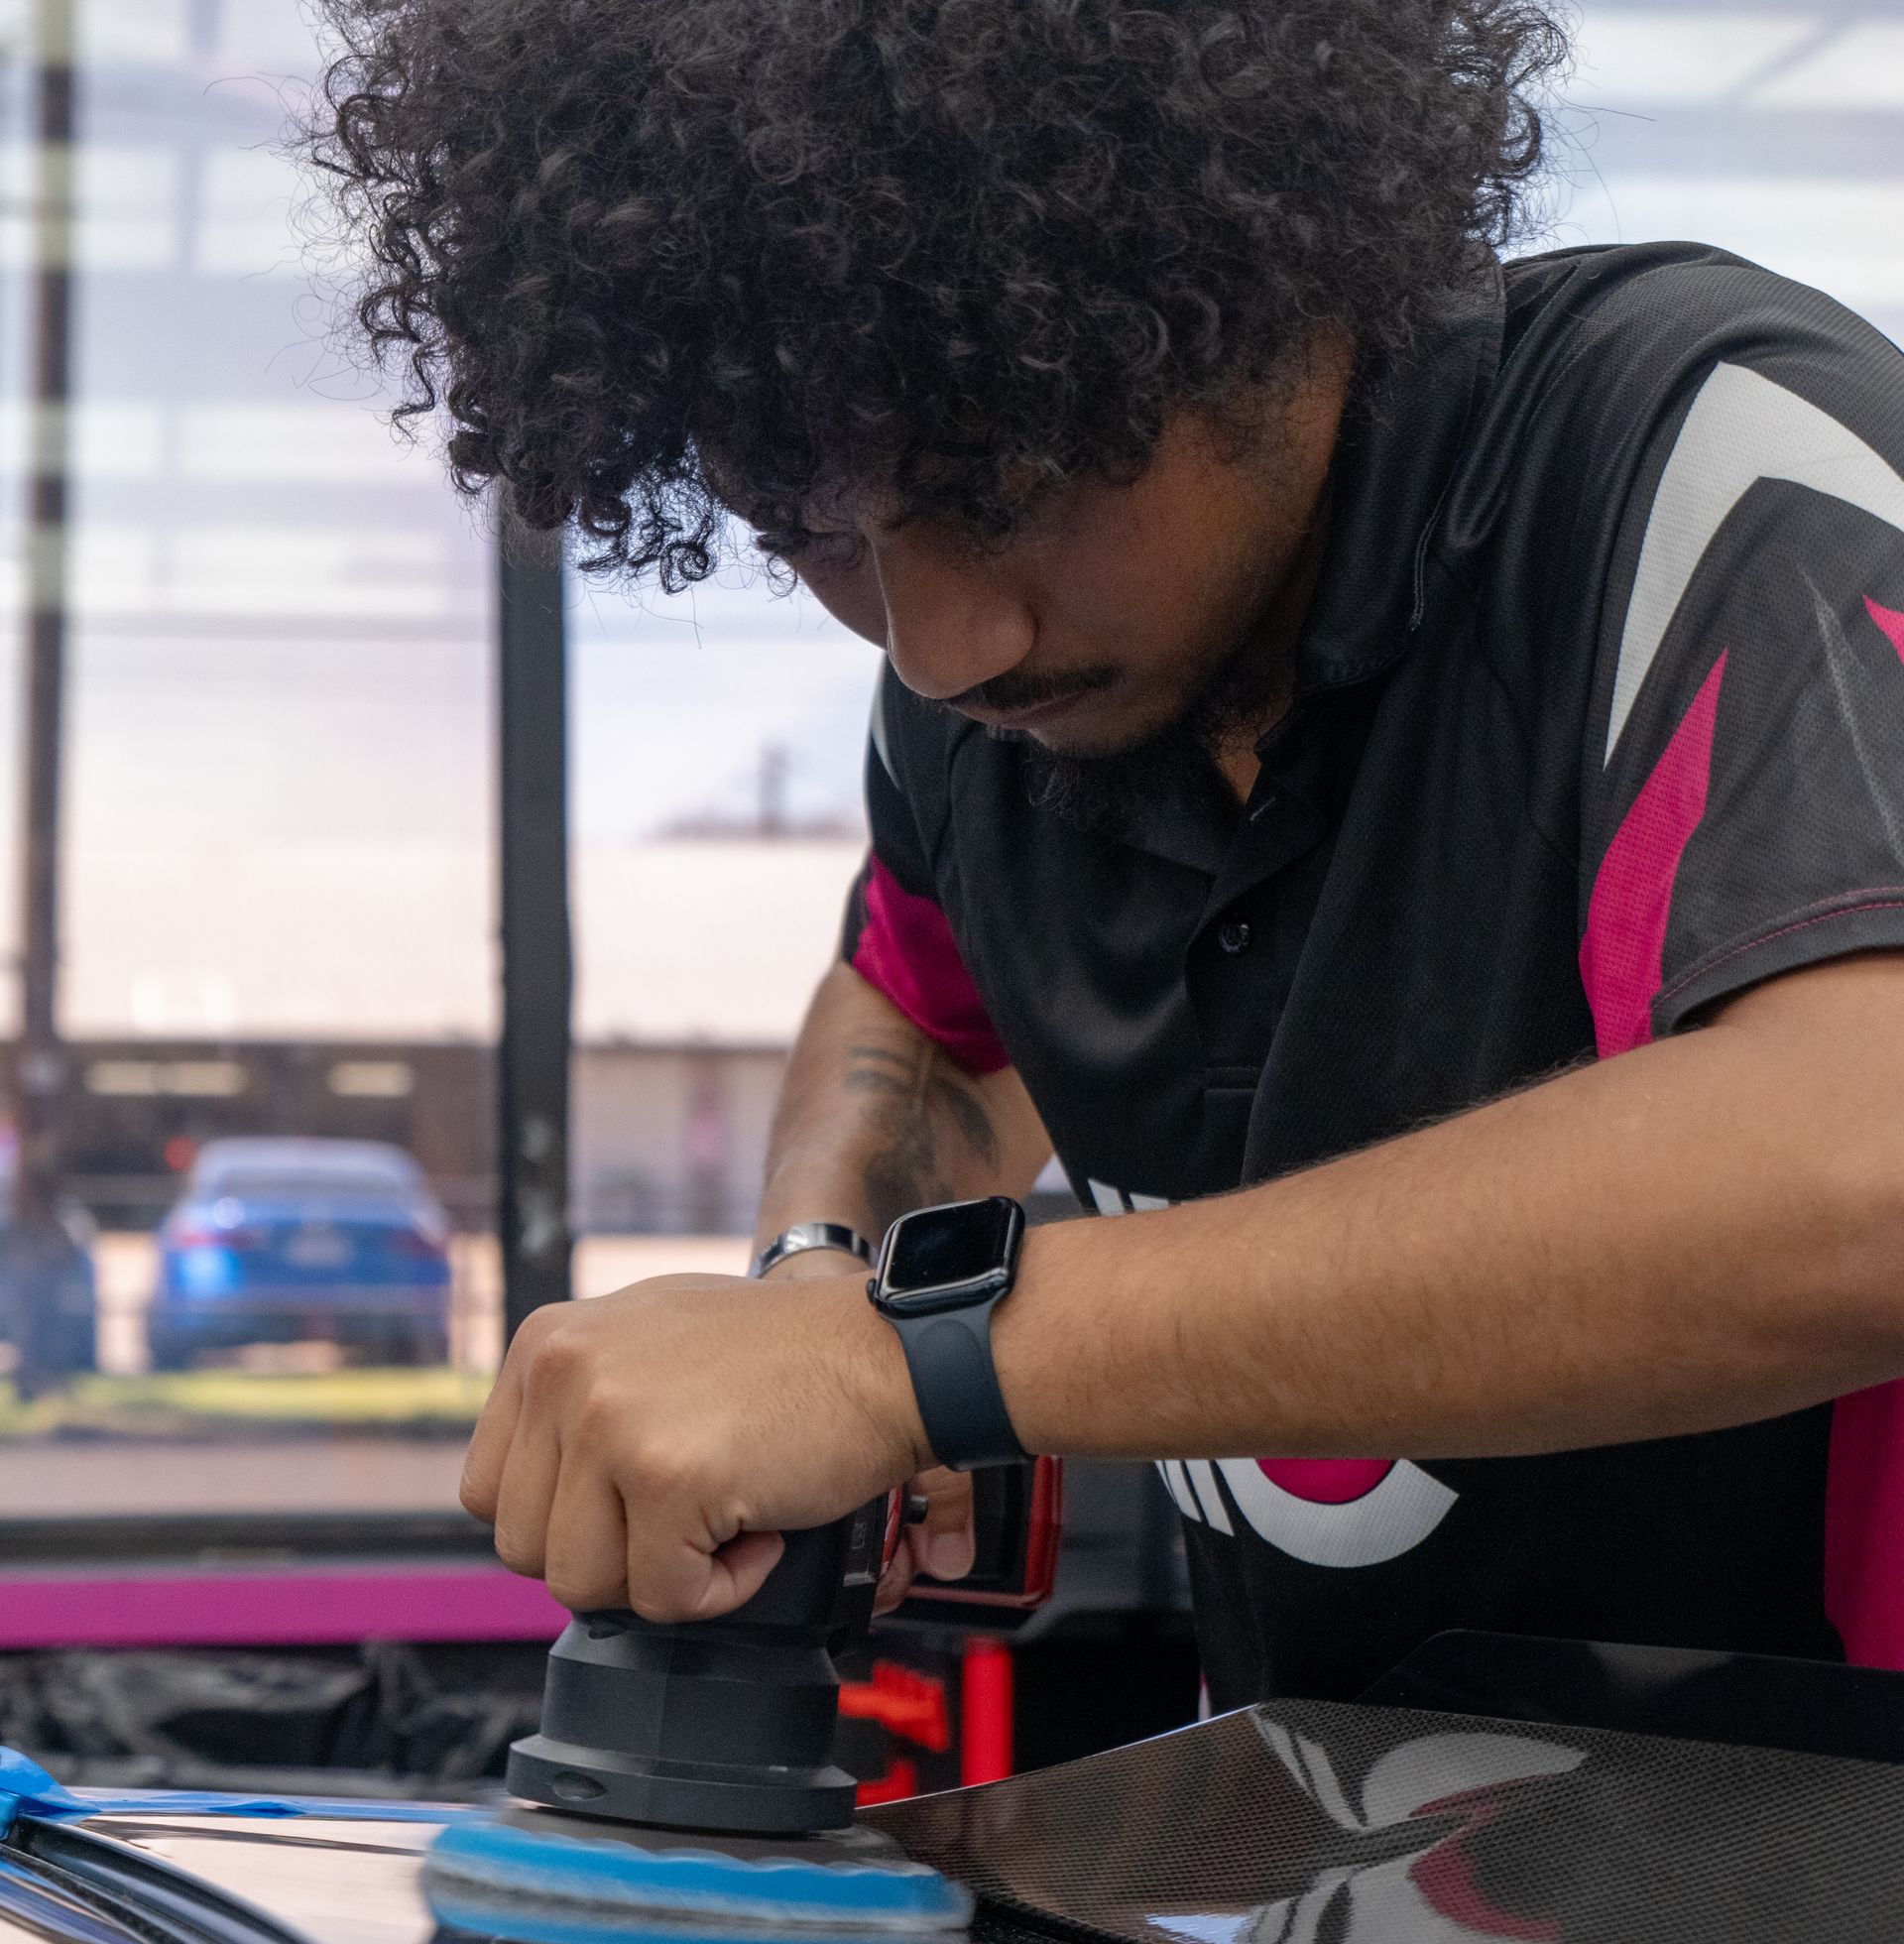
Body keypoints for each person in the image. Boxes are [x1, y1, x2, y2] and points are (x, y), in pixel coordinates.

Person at [324, 0, 1904, 1706]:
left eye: (1000, 488)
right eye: (815, 534)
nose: (942, 644)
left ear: (1246, 282)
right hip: (1364, 1905)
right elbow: (923, 1016)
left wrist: (917, 1355)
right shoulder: (992, 708)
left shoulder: (1710, 476)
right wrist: (818, 1287)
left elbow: (1856, 1164)